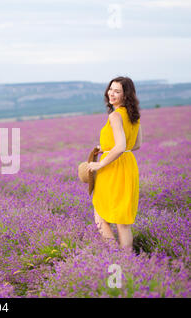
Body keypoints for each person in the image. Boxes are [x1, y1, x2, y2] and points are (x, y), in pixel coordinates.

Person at [87, 76, 142, 251]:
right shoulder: (134, 115)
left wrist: (99, 165)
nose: (112, 93)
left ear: (126, 95)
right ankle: (128, 260)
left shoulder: (115, 116)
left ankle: (115, 255)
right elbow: (136, 145)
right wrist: (106, 147)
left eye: (117, 91)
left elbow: (120, 146)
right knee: (123, 221)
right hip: (128, 165)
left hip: (112, 170)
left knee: (100, 215)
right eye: (111, 89)